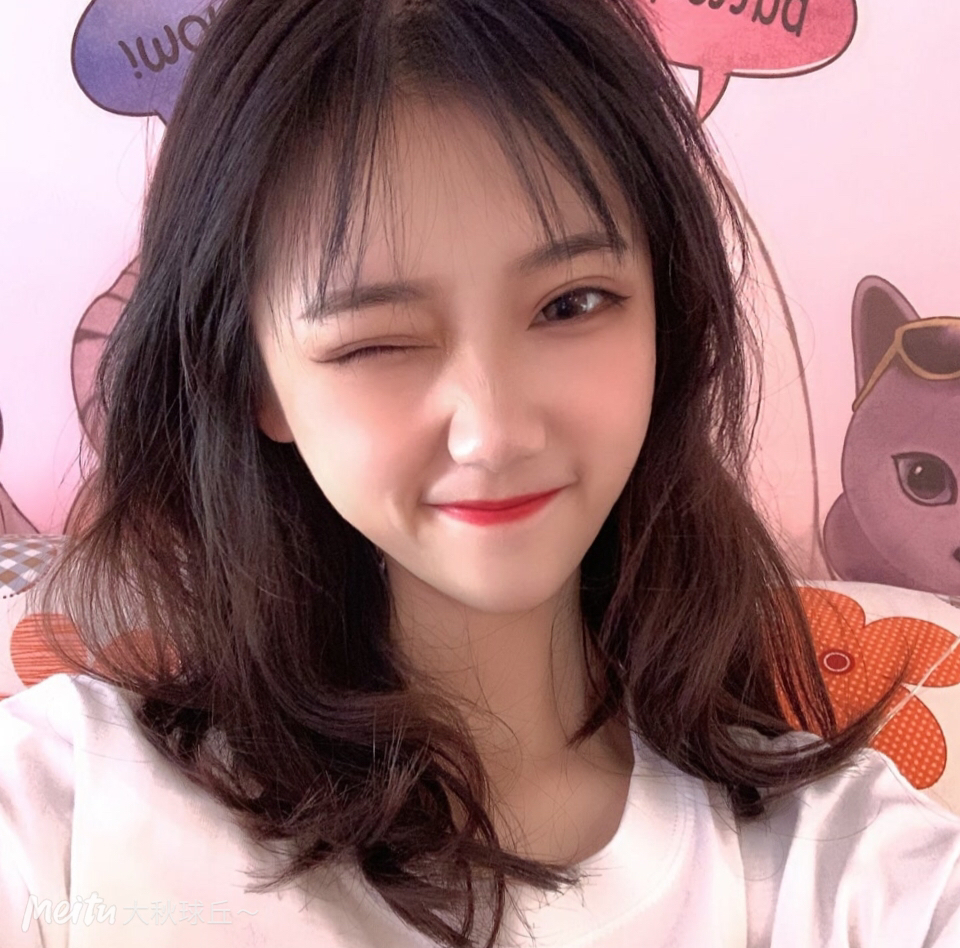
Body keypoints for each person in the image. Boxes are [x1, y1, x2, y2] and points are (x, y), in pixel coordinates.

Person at [2, 0, 960, 945]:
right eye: (378, 341)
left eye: (572, 304)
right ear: (259, 380)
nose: (494, 432)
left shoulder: (843, 865)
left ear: (664, 312)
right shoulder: (66, 812)